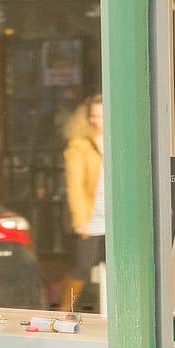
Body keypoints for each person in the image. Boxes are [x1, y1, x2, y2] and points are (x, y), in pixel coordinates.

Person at [63, 94, 105, 309]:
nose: (96, 121)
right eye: (93, 116)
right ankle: (64, 310)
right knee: (82, 267)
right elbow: (75, 186)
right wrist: (80, 219)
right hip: (91, 218)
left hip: (117, 219)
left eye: (101, 116)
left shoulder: (120, 144)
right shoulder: (79, 147)